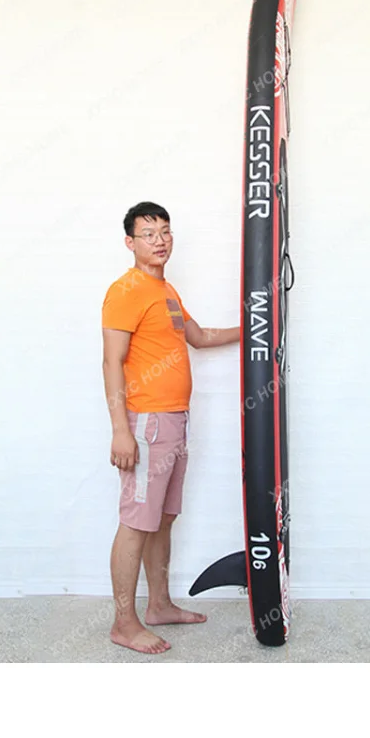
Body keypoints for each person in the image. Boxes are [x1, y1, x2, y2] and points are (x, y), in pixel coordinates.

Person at [101, 201, 240, 654]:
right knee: (136, 522)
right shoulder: (125, 290)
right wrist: (121, 430)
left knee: (162, 519)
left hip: (175, 420)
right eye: (149, 234)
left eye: (165, 231)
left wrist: (252, 329)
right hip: (147, 424)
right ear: (130, 242)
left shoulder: (166, 291)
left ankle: (159, 605)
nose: (159, 240)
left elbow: (197, 338)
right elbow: (111, 362)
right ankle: (124, 623)